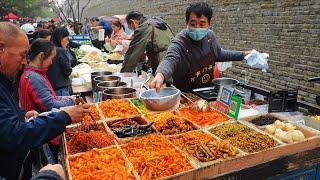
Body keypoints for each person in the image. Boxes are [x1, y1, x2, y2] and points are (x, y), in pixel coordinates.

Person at [0, 22, 90, 180]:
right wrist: (66, 116)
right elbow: (15, 135)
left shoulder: (8, 79)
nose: (23, 62)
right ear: (1, 49)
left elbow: (5, 115)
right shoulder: (32, 77)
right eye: (22, 55)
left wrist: (21, 114)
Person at [150, 2, 251, 91]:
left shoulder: (210, 36)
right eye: (193, 24)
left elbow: (219, 54)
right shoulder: (179, 42)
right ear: (187, 23)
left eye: (202, 24)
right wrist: (160, 74)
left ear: (209, 23)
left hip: (207, 90)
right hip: (185, 94)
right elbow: (170, 59)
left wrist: (243, 55)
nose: (197, 28)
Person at [19, 39, 76, 163]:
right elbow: (50, 105)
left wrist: (68, 98)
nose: (51, 62)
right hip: (45, 133)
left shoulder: (33, 74)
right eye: (51, 58)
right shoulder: (33, 78)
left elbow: (50, 97)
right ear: (41, 56)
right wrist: (71, 102)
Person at [47, 27, 74, 96]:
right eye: (67, 39)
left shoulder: (49, 49)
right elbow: (67, 71)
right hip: (60, 90)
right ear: (60, 38)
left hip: (51, 89)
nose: (68, 42)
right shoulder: (60, 51)